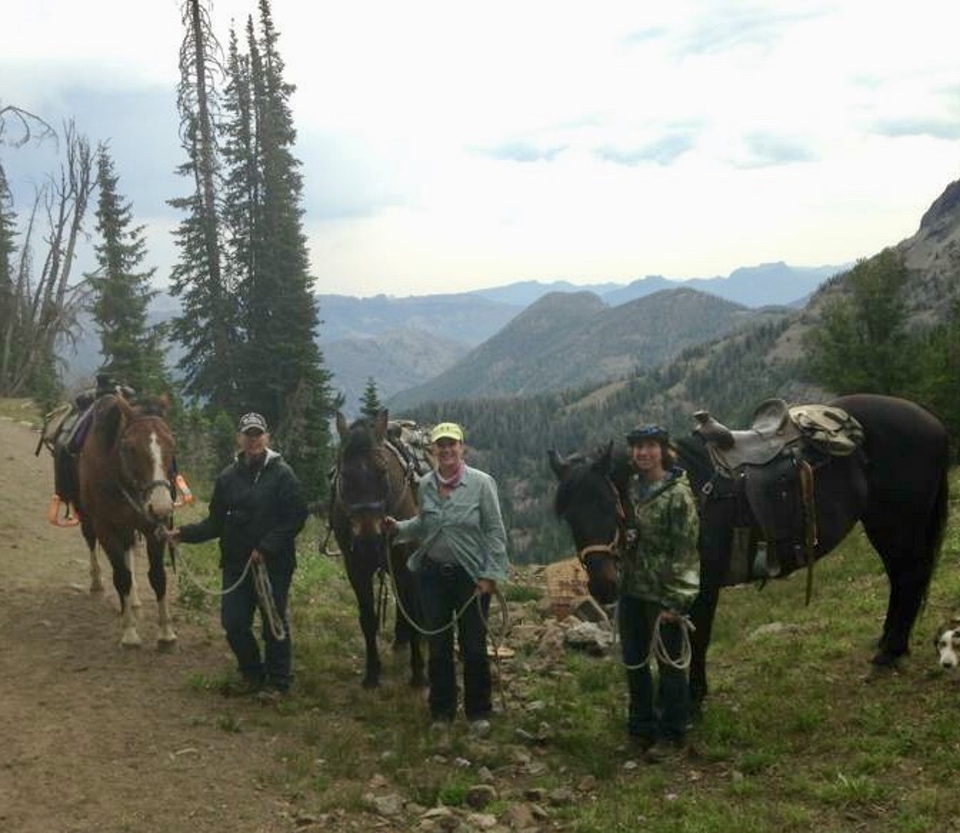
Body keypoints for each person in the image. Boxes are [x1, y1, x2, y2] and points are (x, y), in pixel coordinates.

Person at [167, 412, 307, 700]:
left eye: (258, 434)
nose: (253, 440)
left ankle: (278, 682)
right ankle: (253, 673)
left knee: (273, 622)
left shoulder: (283, 475)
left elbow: (295, 517)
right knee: (233, 622)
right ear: (240, 439)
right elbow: (215, 523)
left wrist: (266, 548)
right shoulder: (227, 478)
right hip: (236, 564)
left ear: (267, 437)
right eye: (248, 435)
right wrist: (184, 534)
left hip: (273, 565)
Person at [384, 421, 509, 732]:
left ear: (462, 448)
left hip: (471, 577)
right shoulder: (426, 484)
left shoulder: (482, 484)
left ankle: (478, 712)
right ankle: (441, 711)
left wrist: (491, 574)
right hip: (432, 575)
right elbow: (425, 524)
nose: (447, 449)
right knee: (438, 645)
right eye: (441, 445)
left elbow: (495, 532)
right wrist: (399, 529)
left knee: (474, 646)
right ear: (434, 450)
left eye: (452, 444)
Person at [620, 423, 700, 761]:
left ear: (663, 450)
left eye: (650, 446)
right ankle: (640, 728)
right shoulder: (631, 490)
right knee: (635, 662)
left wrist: (678, 600)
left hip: (663, 595)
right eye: (638, 446)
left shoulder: (678, 496)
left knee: (670, 667)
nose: (643, 452)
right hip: (632, 591)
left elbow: (687, 550)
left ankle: (673, 733)